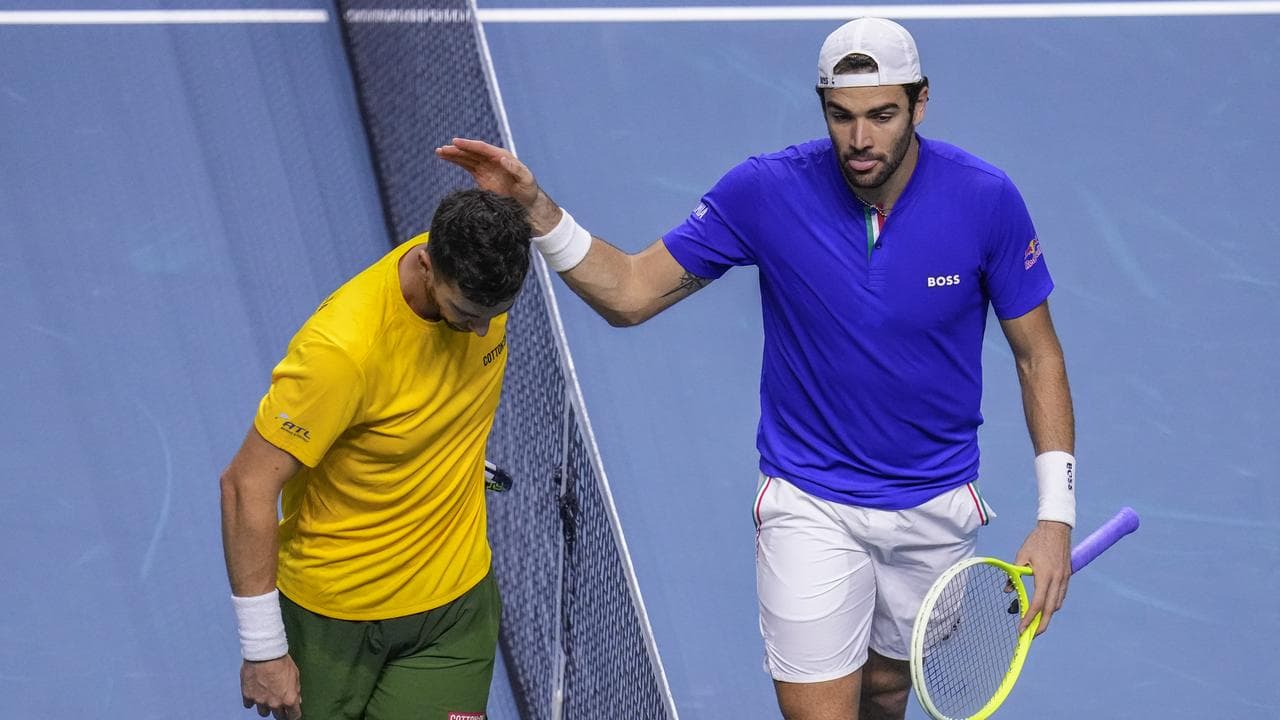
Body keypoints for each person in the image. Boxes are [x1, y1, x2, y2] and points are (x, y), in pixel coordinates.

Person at [438, 16, 1077, 720]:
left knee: (888, 692)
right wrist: (533, 206)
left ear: (920, 102)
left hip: (935, 504)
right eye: (841, 115)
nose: (860, 139)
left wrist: (1056, 517)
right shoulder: (766, 193)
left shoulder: (986, 201)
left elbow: (1036, 354)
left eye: (882, 115)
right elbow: (628, 292)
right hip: (811, 503)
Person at [219, 188, 531, 720]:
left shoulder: (484, 262)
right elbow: (245, 485)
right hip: (335, 618)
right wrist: (263, 646)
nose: (481, 329)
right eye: (466, 313)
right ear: (427, 266)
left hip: (455, 608)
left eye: (495, 315)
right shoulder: (342, 351)